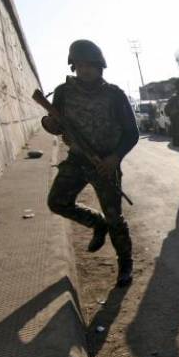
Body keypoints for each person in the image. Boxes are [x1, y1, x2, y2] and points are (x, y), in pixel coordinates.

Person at [42, 39, 138, 287]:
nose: (85, 70)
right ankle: (96, 223)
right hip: (77, 159)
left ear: (100, 67)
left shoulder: (114, 95)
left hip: (105, 163)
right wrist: (50, 124)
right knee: (57, 202)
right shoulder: (63, 92)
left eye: (90, 65)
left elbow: (132, 133)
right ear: (73, 66)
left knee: (115, 216)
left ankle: (125, 262)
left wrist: (114, 158)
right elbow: (55, 122)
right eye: (80, 65)